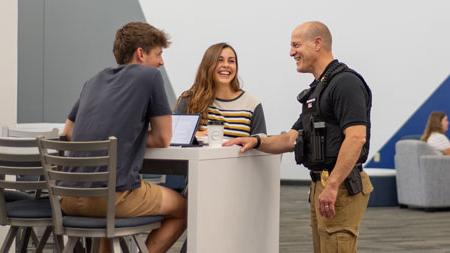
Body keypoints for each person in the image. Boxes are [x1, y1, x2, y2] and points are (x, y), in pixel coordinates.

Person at [224, 21, 373, 253]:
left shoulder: (345, 83)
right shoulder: (317, 90)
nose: (291, 52)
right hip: (321, 185)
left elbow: (356, 138)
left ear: (317, 43)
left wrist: (332, 185)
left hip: (340, 185)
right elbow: (291, 138)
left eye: (296, 45)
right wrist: (256, 141)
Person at [61, 22, 186, 253]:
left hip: (67, 198)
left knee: (110, 211)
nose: (161, 62)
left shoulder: (94, 80)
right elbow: (162, 138)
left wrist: (121, 134)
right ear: (141, 53)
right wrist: (131, 137)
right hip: (110, 200)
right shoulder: (149, 76)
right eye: (158, 54)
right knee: (185, 208)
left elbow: (68, 132)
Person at [174, 42, 267, 138]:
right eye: (219, 60)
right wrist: (195, 135)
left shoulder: (252, 104)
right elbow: (172, 136)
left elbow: (262, 145)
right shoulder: (190, 100)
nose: (226, 65)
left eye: (231, 61)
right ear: (208, 65)